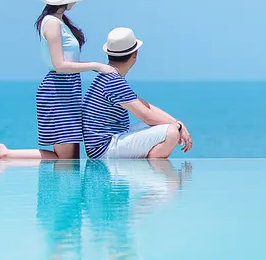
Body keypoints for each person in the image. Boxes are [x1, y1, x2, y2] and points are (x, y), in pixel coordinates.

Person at [0, 0, 116, 161]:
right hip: (58, 91)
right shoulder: (52, 23)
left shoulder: (59, 21)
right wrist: (96, 66)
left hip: (68, 90)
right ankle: (7, 154)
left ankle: (8, 154)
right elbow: (59, 65)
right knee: (65, 159)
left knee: (71, 160)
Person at [82, 27, 193, 160]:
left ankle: (150, 169)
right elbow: (147, 116)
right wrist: (178, 127)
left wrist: (176, 122)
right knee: (171, 133)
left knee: (168, 126)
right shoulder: (113, 81)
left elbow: (146, 106)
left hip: (106, 143)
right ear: (135, 55)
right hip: (104, 149)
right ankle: (153, 175)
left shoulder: (108, 77)